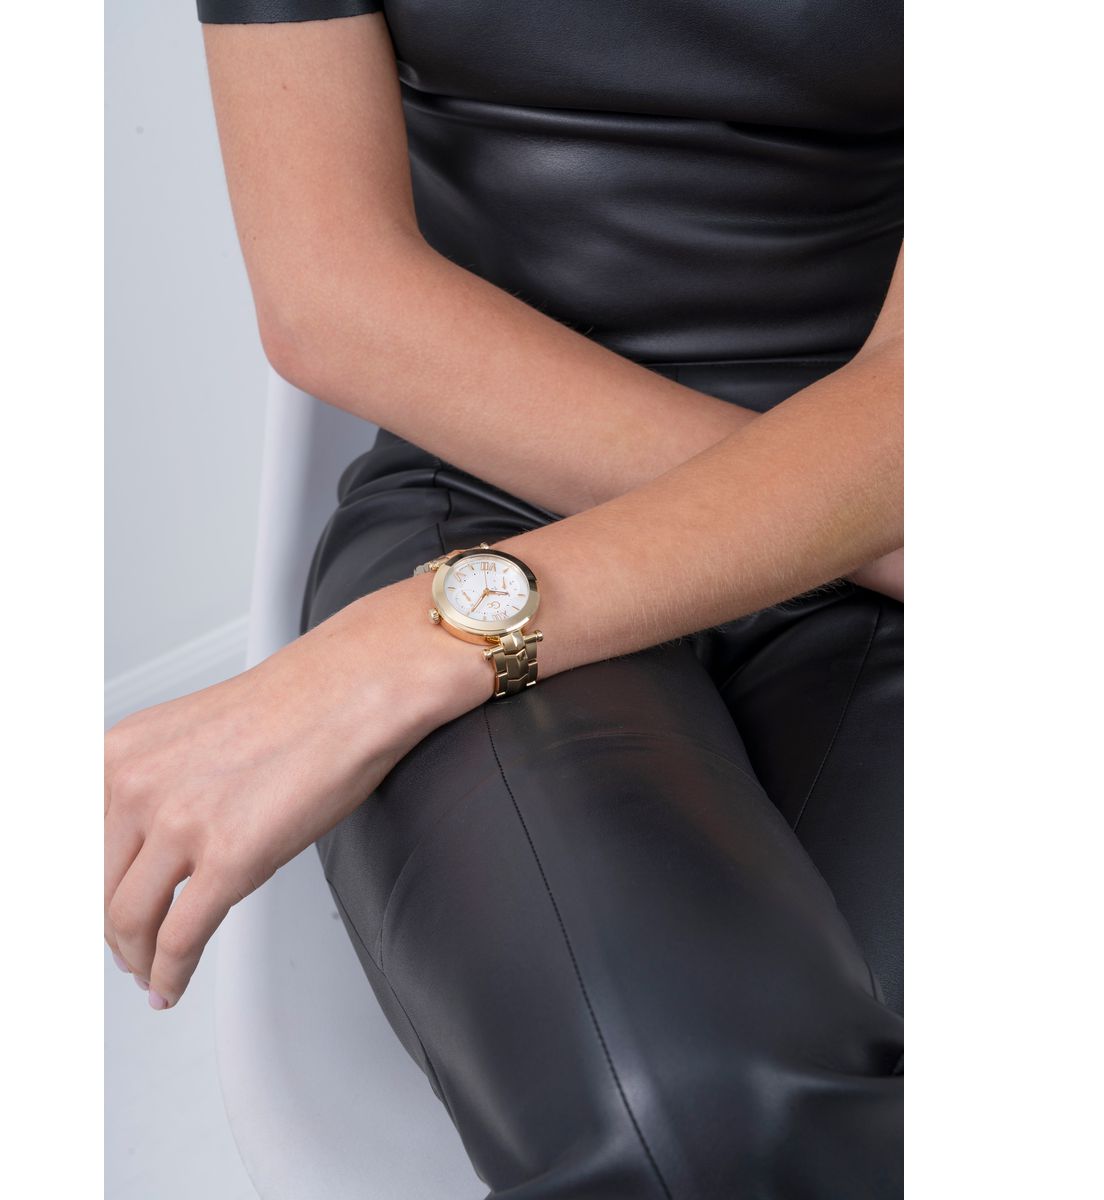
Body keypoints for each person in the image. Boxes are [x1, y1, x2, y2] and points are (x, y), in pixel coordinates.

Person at [104, 2, 903, 1194]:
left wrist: (427, 641)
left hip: (879, 508)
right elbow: (330, 295)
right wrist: (818, 518)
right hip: (499, 498)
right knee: (671, 1103)